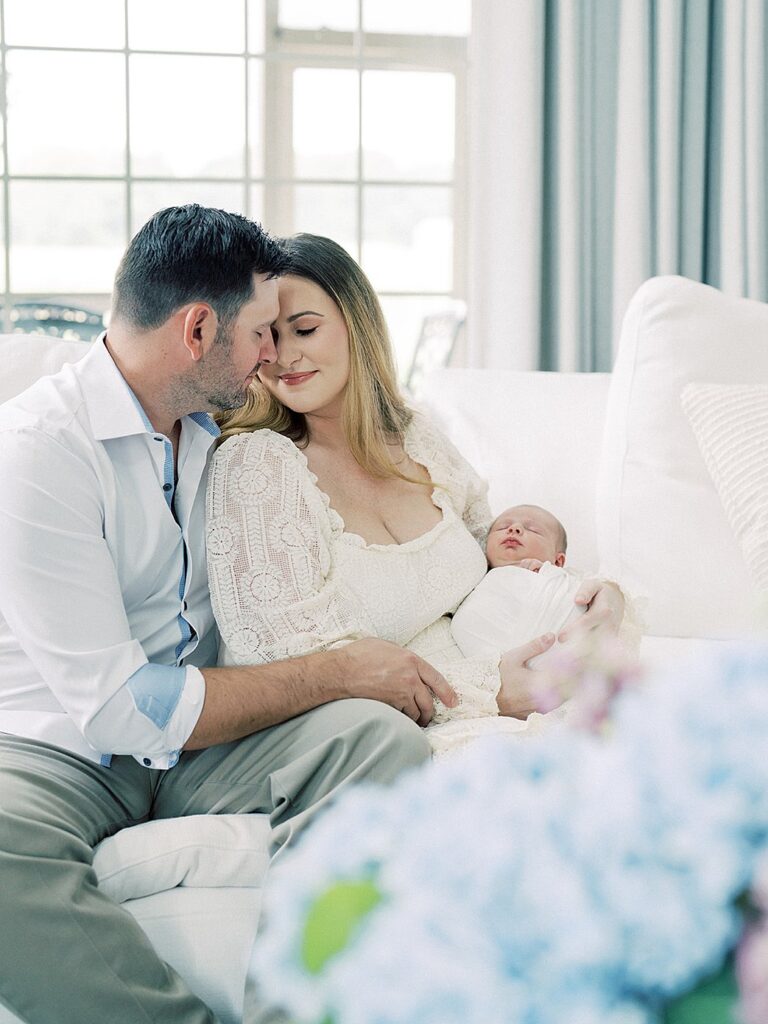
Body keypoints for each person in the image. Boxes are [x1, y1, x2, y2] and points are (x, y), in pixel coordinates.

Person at [0, 207, 453, 1024]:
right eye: (259, 336)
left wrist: (516, 539)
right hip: (64, 745)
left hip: (206, 745)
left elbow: (381, 478)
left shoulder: (224, 428)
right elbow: (117, 706)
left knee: (376, 742)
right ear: (199, 329)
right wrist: (340, 668)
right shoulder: (40, 448)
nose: (273, 358)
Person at [207, 233, 625, 763]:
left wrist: (601, 598)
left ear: (358, 325)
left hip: (499, 698)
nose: (283, 356)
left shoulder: (415, 437)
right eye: (266, 335)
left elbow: (502, 555)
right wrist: (488, 691)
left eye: (305, 329)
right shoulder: (257, 463)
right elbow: (300, 663)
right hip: (380, 736)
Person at [451, 503, 587, 666]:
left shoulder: (560, 578)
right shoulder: (475, 580)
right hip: (492, 664)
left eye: (533, 530)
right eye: (503, 527)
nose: (514, 528)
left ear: (558, 561)